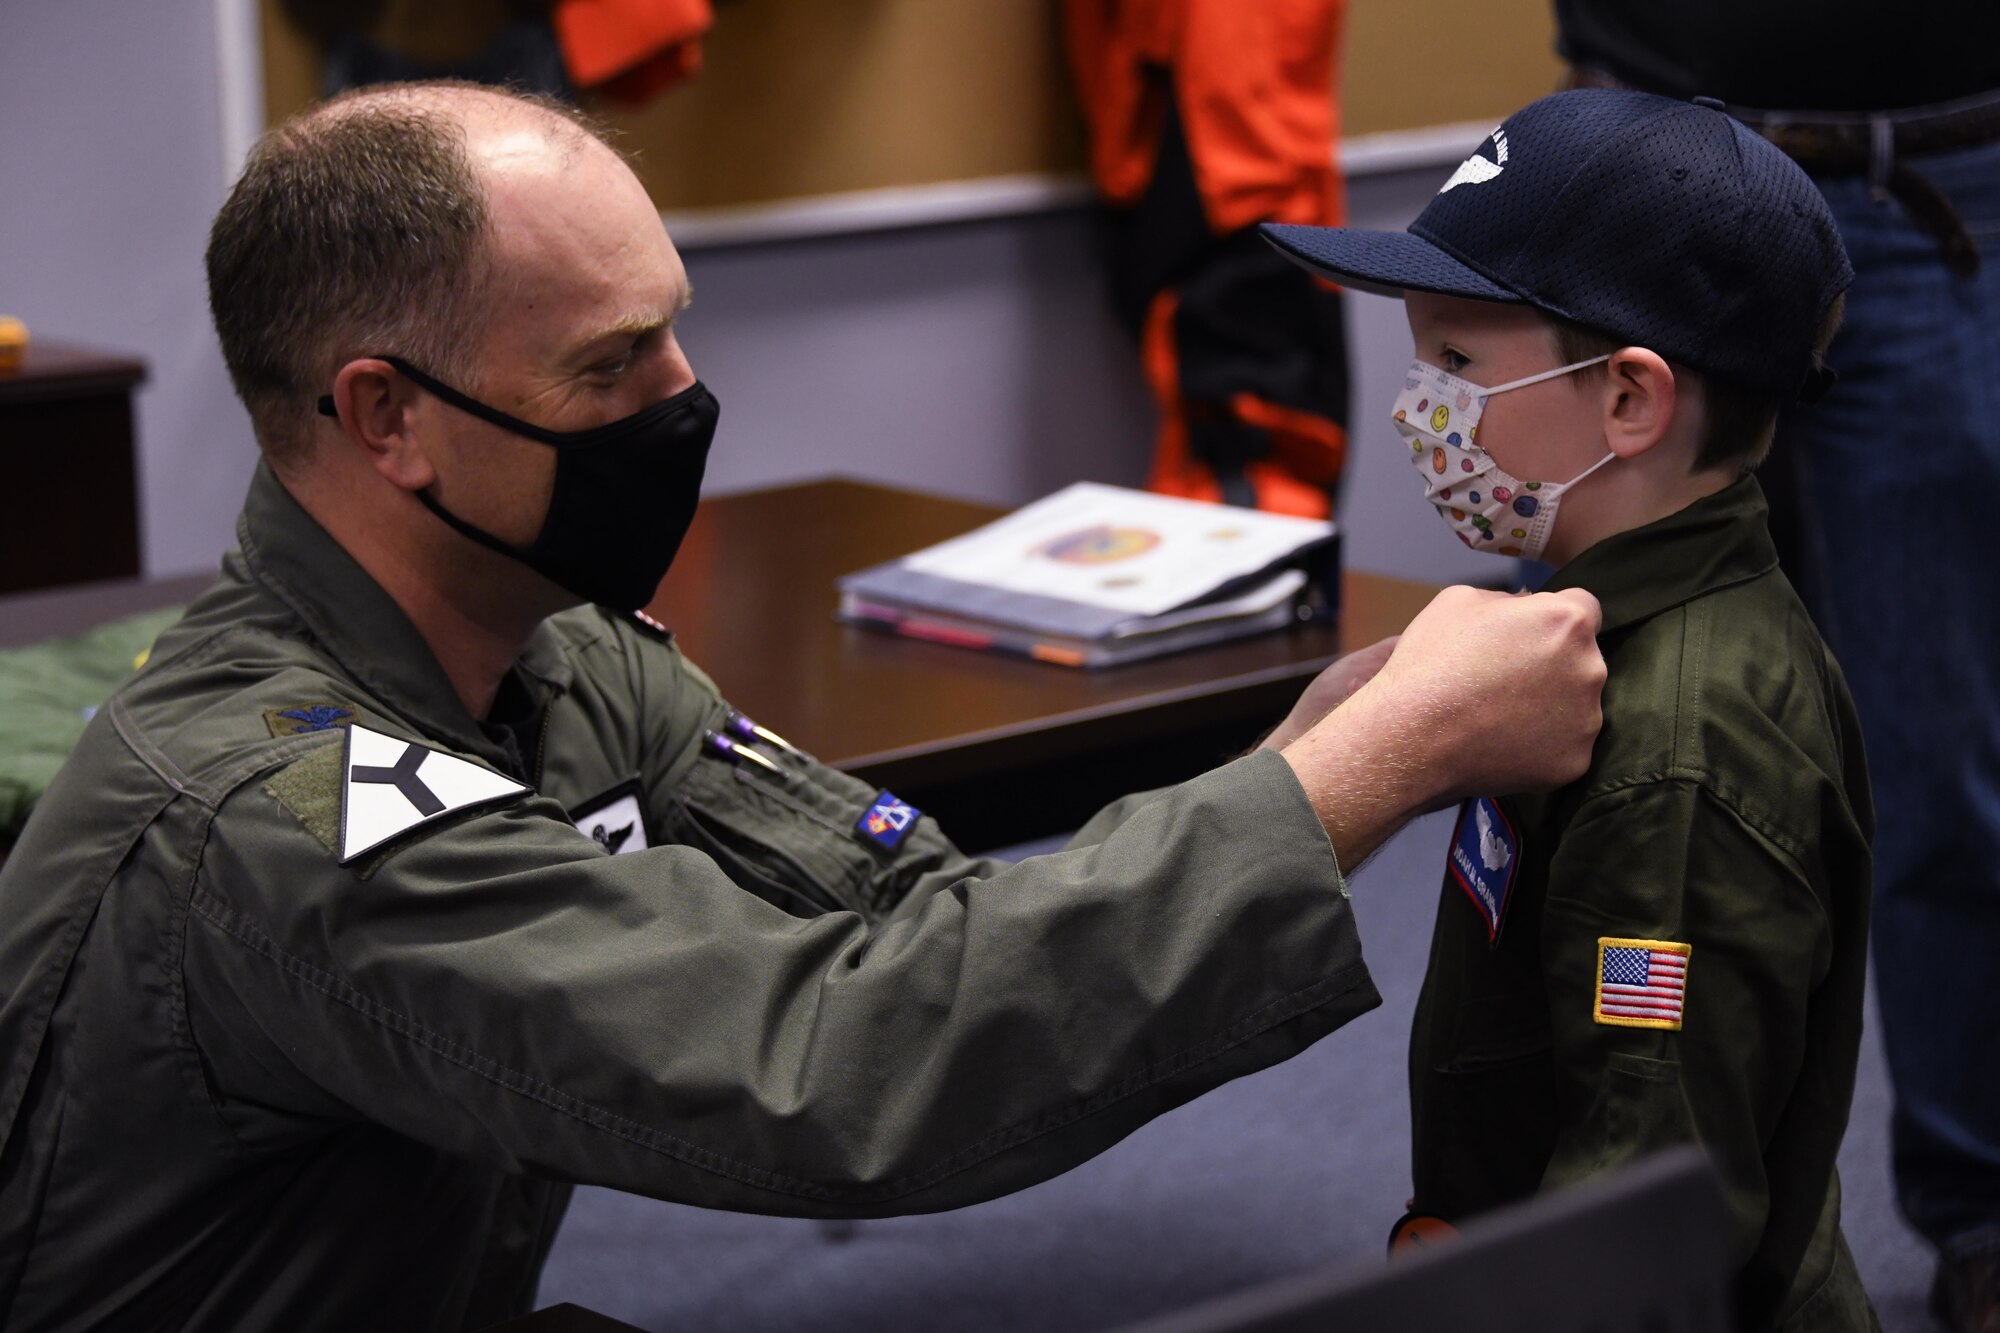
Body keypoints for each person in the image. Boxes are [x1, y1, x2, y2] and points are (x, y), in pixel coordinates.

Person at [0, 82, 1609, 1331]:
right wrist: (1378, 769)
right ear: (387, 419)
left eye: (674, 325)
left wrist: (1300, 756)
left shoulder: (556, 655)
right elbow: (840, 1066)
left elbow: (917, 921)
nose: (685, 396)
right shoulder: (281, 816)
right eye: (613, 361)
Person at [1264, 88, 1876, 1332]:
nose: (1414, 406)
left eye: (1455, 359)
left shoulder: (1675, 757)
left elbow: (1643, 1205)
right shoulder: (1571, 634)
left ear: (1629, 400)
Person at [1552, 15, 2000, 1328]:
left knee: (1944, 761)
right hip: (1643, 154)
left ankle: (1978, 1202)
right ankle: (1568, 1197)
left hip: (1932, 179)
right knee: (1591, 745)